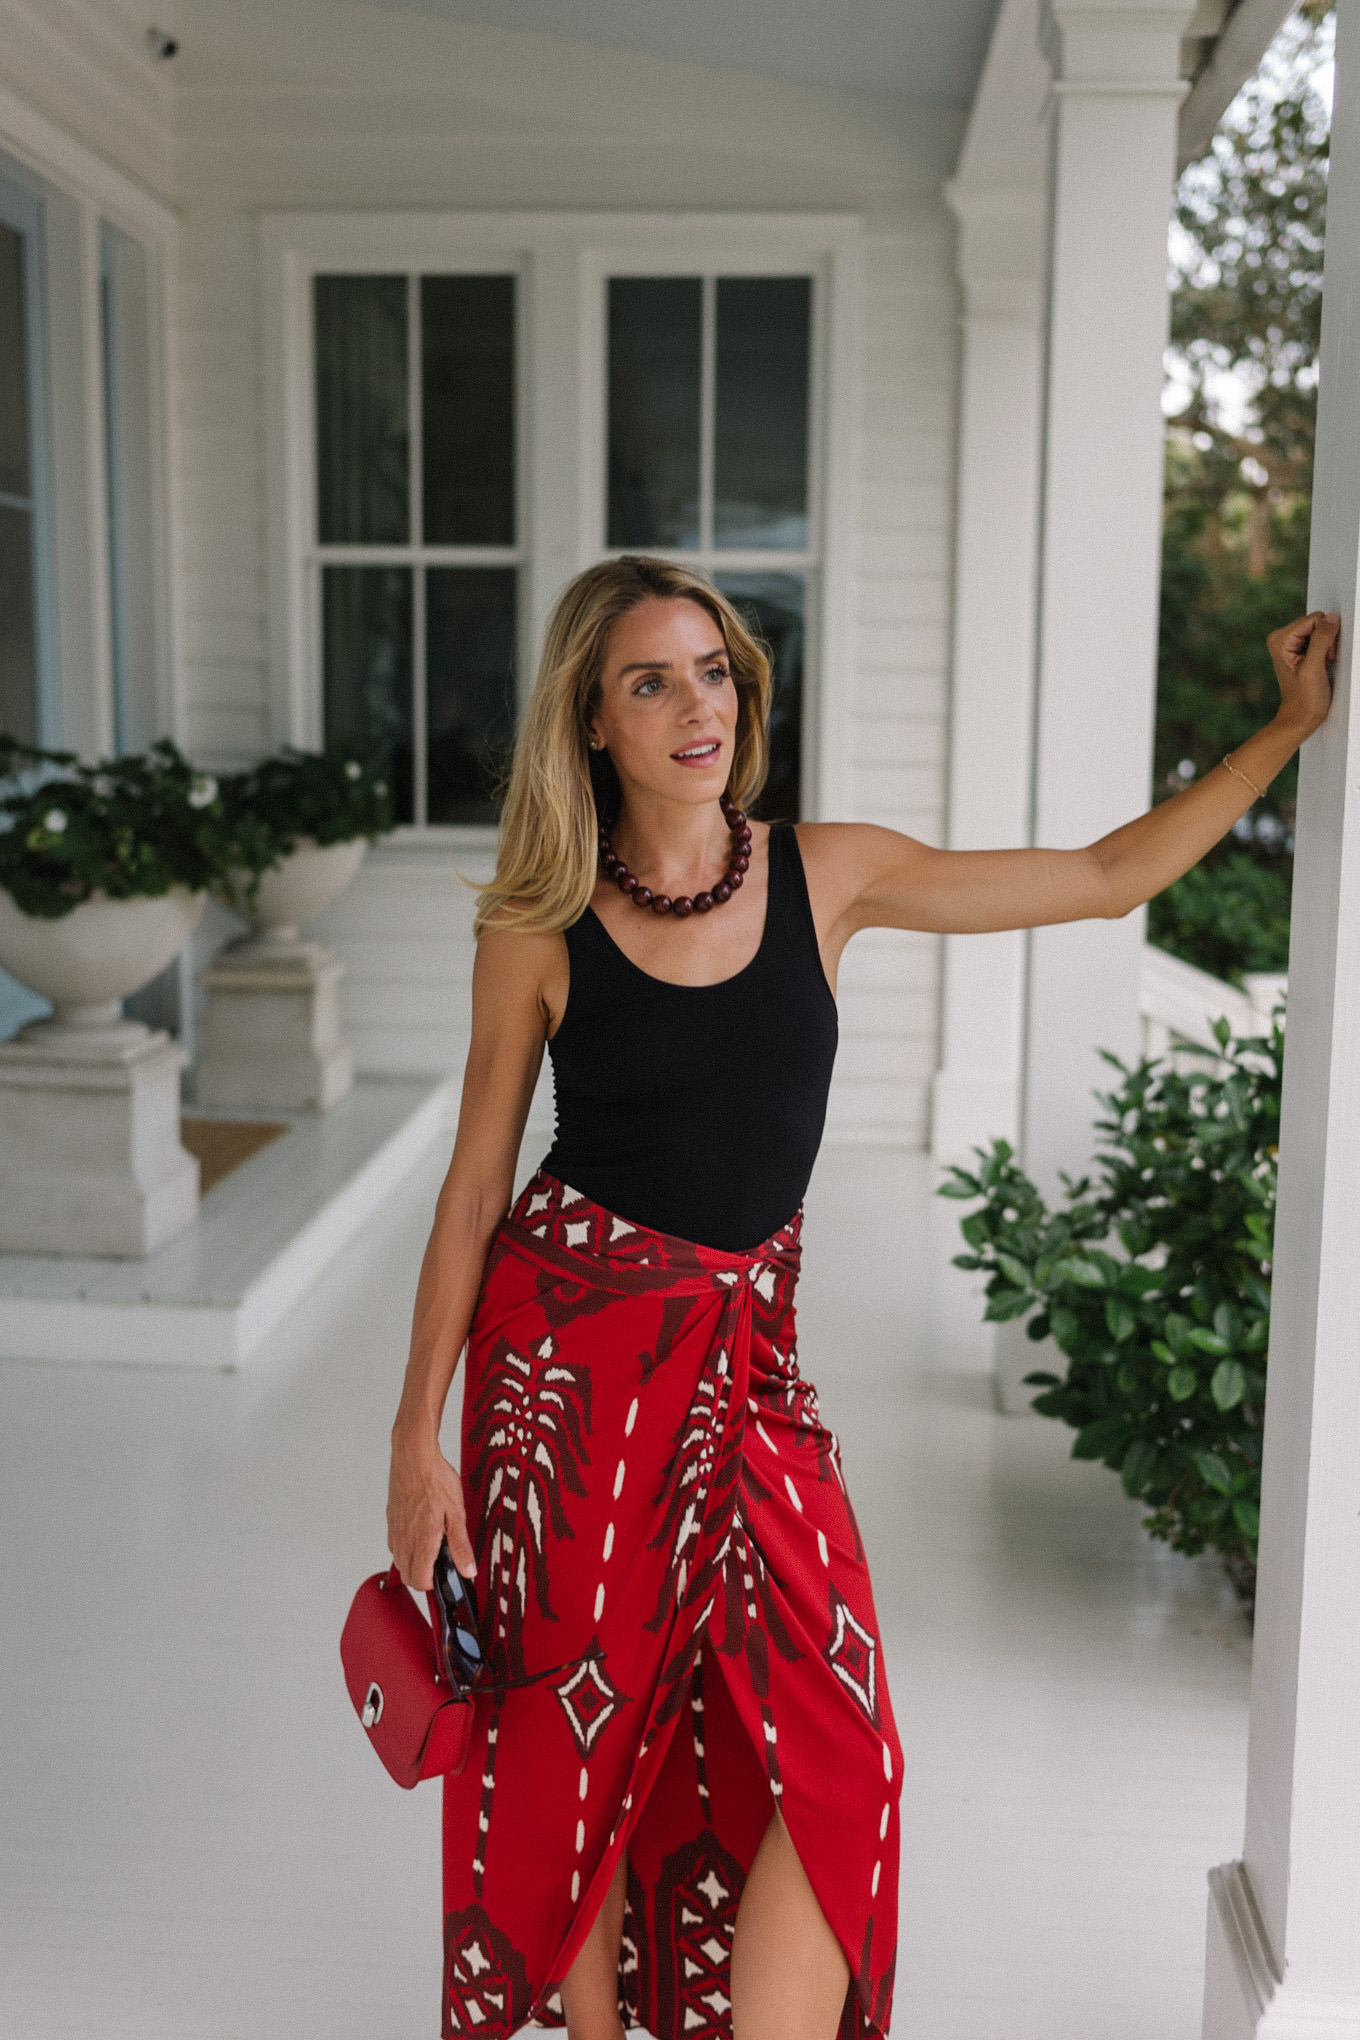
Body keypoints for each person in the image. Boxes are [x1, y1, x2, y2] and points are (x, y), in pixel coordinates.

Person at [387, 555, 1336, 2040]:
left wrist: (1282, 732)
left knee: (848, 1753)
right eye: (651, 681)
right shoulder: (537, 923)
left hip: (750, 1380)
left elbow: (1101, 882)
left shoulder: (828, 871)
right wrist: (416, 1439)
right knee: (578, 1740)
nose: (696, 705)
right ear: (590, 721)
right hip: (569, 1386)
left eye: (712, 670)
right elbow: (472, 1191)